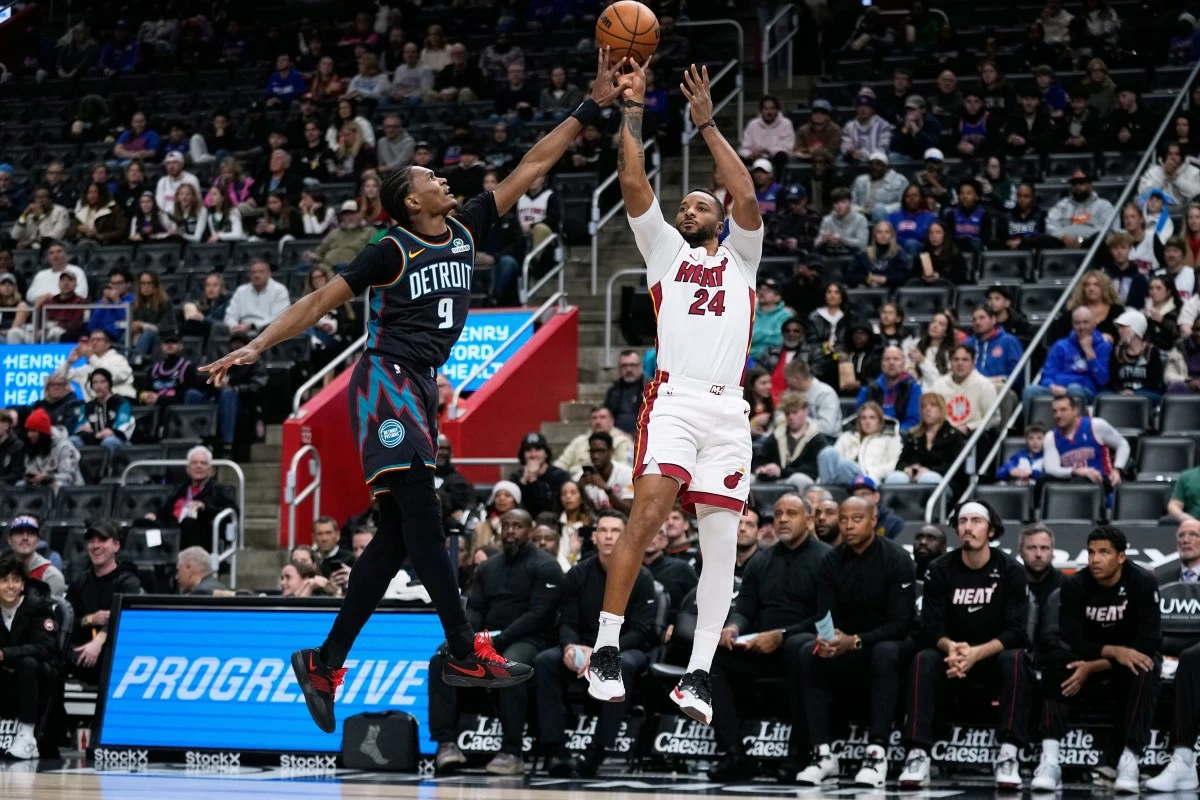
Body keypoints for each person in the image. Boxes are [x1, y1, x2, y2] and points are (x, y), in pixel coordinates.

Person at [199, 48, 630, 731]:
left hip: (419, 386)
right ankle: (464, 649)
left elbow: (533, 166)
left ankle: (325, 661)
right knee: (424, 516)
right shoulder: (390, 248)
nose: (443, 178)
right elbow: (319, 304)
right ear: (410, 199)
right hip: (383, 382)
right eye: (431, 176)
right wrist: (257, 343)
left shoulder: (464, 230)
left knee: (398, 539)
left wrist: (589, 105)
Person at [576, 61, 761, 723]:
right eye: (683, 205)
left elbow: (746, 190)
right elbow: (632, 180)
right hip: (676, 400)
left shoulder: (744, 255)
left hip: (730, 412)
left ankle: (700, 675)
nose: (687, 208)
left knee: (721, 546)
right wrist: (633, 112)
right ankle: (604, 648)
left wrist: (707, 123)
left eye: (700, 204)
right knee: (647, 516)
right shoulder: (663, 252)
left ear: (723, 217)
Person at [897, 501, 1031, 789]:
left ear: (991, 530)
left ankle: (1009, 754)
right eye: (962, 521)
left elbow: (1017, 631)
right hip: (952, 657)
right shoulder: (939, 568)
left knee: (1016, 658)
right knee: (923, 658)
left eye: (975, 521)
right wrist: (953, 649)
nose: (967, 527)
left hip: (992, 657)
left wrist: (976, 653)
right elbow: (931, 626)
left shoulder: (1011, 570)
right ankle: (918, 753)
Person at [1029, 527, 1162, 794]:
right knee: (1056, 662)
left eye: (1104, 553)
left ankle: (1129, 760)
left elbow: (1148, 641)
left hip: (1127, 657)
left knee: (1146, 666)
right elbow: (1072, 638)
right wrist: (1110, 653)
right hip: (1091, 654)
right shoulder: (1074, 585)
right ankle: (1050, 759)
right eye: (1091, 552)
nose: (1095, 559)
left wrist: (1097, 666)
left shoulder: (1142, 583)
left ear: (1122, 557)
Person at [795, 495, 916, 787]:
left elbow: (901, 624)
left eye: (857, 519)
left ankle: (876, 754)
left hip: (889, 640)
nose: (848, 526)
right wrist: (827, 640)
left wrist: (856, 641)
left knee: (884, 653)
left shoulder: (898, 559)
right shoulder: (831, 560)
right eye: (844, 519)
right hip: (847, 641)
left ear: (873, 521)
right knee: (807, 652)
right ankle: (823, 754)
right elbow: (824, 613)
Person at [431, 509, 562, 775]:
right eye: (506, 526)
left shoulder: (546, 565)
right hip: (490, 637)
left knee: (509, 665)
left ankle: (512, 751)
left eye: (518, 526)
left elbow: (538, 615)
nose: (511, 531)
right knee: (441, 659)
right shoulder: (489, 566)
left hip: (532, 638)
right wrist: (463, 639)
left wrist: (497, 640)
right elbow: (476, 609)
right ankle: (446, 744)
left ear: (530, 530)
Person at [708, 495, 828, 780]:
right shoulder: (761, 560)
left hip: (806, 647)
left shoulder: (827, 559)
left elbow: (828, 620)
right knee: (713, 657)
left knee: (800, 650)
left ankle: (799, 754)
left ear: (809, 520)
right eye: (778, 514)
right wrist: (733, 628)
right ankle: (735, 754)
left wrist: (782, 636)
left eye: (791, 513)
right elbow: (745, 607)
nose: (783, 519)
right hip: (761, 646)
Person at [537, 511, 656, 778]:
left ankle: (598, 751)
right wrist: (569, 647)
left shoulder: (642, 576)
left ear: (625, 535)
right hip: (583, 646)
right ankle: (555, 750)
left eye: (615, 530)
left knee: (620, 667)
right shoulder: (578, 574)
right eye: (603, 530)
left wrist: (603, 652)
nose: (609, 536)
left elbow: (640, 631)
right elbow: (566, 621)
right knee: (545, 661)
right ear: (594, 536)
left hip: (625, 647)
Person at [0, 553, 61, 760]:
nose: (10, 586)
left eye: (16, 581)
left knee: (27, 663)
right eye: (4, 580)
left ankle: (27, 736)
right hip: (6, 676)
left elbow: (43, 647)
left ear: (23, 585)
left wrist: (5, 655)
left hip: (40, 675)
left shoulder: (38, 606)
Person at [67, 520, 143, 685]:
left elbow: (125, 620)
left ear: (116, 546)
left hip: (115, 653)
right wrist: (92, 619)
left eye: (102, 540)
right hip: (81, 650)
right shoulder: (80, 581)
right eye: (92, 541)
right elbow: (69, 621)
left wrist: (99, 641)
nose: (96, 546)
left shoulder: (128, 581)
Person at [146, 446, 237, 551]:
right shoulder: (179, 489)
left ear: (211, 470)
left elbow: (232, 512)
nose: (198, 466)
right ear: (188, 469)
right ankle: (155, 561)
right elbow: (165, 511)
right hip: (172, 533)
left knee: (188, 522)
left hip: (202, 536)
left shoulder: (219, 490)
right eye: (194, 463)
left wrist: (205, 507)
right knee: (144, 523)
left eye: (203, 463)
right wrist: (155, 516)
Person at [1022, 307, 1112, 406]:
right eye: (1077, 323)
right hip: (1058, 388)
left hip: (1086, 391)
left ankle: (1077, 421)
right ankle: (1031, 422)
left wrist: (1089, 352)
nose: (1081, 327)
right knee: (1030, 391)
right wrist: (1052, 386)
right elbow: (1047, 374)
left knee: (1074, 389)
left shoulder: (1104, 347)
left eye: (1085, 322)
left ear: (1094, 324)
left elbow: (1102, 380)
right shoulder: (1061, 345)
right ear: (1072, 324)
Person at [1042, 394, 1130, 488]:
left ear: (1075, 411)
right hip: (1072, 481)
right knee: (1042, 481)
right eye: (1055, 411)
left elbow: (1123, 445)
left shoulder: (1096, 425)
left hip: (1100, 479)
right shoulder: (1051, 437)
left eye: (1063, 410)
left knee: (1081, 482)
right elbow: (1051, 469)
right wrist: (1075, 471)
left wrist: (1117, 469)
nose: (1058, 415)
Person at [752, 392, 831, 490]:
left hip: (805, 483)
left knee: (799, 479)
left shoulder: (817, 439)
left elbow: (813, 470)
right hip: (775, 480)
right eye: (787, 413)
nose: (791, 417)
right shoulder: (776, 436)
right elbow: (762, 459)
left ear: (805, 411)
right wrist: (761, 469)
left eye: (795, 412)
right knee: (749, 479)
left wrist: (781, 471)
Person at [817, 402, 902, 487]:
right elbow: (832, 460)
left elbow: (893, 464)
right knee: (827, 452)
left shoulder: (891, 438)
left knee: (844, 464)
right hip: (840, 475)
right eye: (863, 418)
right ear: (859, 421)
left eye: (872, 418)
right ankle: (825, 489)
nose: (867, 422)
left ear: (880, 421)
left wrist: (872, 474)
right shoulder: (847, 436)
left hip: (869, 477)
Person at [931, 344, 1001, 434]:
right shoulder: (938, 385)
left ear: (973, 363)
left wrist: (968, 427)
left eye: (965, 360)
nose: (960, 363)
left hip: (973, 436)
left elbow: (994, 419)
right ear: (950, 362)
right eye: (956, 359)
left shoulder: (984, 385)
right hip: (943, 436)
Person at [54, 328, 135, 400]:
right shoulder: (87, 368)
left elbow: (112, 376)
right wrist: (69, 362)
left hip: (120, 403)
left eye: (99, 340)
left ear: (108, 344)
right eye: (92, 340)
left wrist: (91, 357)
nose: (94, 343)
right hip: (94, 410)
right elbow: (58, 379)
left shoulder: (118, 360)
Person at [857, 346, 922, 432]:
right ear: (882, 364)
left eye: (896, 359)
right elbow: (860, 418)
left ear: (903, 363)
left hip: (901, 437)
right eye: (887, 359)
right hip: (872, 436)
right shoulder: (867, 390)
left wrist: (892, 433)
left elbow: (914, 420)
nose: (891, 363)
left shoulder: (914, 388)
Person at [1047, 170, 1116, 248]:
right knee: (1043, 239)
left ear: (1090, 185)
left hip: (1091, 244)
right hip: (1063, 242)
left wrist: (1082, 239)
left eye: (1081, 183)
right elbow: (1050, 223)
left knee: (1102, 238)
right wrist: (1062, 236)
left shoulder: (1103, 205)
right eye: (1074, 184)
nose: (1077, 187)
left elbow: (1107, 228)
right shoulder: (1063, 204)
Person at [1108, 308, 1166, 400]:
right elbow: (1113, 381)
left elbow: (1156, 383)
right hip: (1121, 395)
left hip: (1146, 394)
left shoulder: (1151, 351)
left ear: (1134, 329)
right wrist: (1121, 391)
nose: (1119, 331)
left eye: (1123, 327)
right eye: (1119, 328)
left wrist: (1134, 393)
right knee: (1102, 395)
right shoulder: (1116, 352)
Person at [74, 369, 134, 452]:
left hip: (119, 442)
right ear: (91, 386)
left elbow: (122, 427)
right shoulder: (87, 407)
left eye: (103, 382)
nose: (99, 386)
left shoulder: (121, 403)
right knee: (73, 440)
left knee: (109, 441)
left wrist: (108, 432)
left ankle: (109, 465)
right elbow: (80, 428)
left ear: (109, 384)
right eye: (95, 383)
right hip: (93, 441)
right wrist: (96, 434)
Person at [223, 260, 289, 336]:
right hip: (242, 332)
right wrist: (234, 326)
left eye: (261, 272)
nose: (257, 275)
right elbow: (230, 315)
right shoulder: (241, 291)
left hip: (266, 330)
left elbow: (279, 317)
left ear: (269, 274)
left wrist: (252, 326)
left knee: (269, 329)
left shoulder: (280, 290)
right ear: (249, 275)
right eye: (253, 272)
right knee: (218, 328)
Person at [5, 515, 65, 598]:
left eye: (30, 534)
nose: (25, 538)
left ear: (37, 541)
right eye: (19, 533)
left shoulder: (51, 576)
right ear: (9, 540)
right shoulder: (2, 569)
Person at [25, 242, 87, 306]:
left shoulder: (77, 271)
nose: (55, 255)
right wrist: (45, 297)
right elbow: (29, 295)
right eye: (51, 253)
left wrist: (55, 298)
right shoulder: (40, 274)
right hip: (42, 307)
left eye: (59, 251)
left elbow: (82, 294)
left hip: (66, 307)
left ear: (66, 255)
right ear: (48, 258)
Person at [817, 188, 869, 255]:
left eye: (843, 202)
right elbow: (816, 244)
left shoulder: (861, 220)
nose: (839, 206)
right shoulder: (827, 220)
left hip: (853, 258)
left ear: (850, 202)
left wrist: (842, 240)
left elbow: (862, 244)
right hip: (832, 257)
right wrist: (823, 240)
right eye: (836, 203)